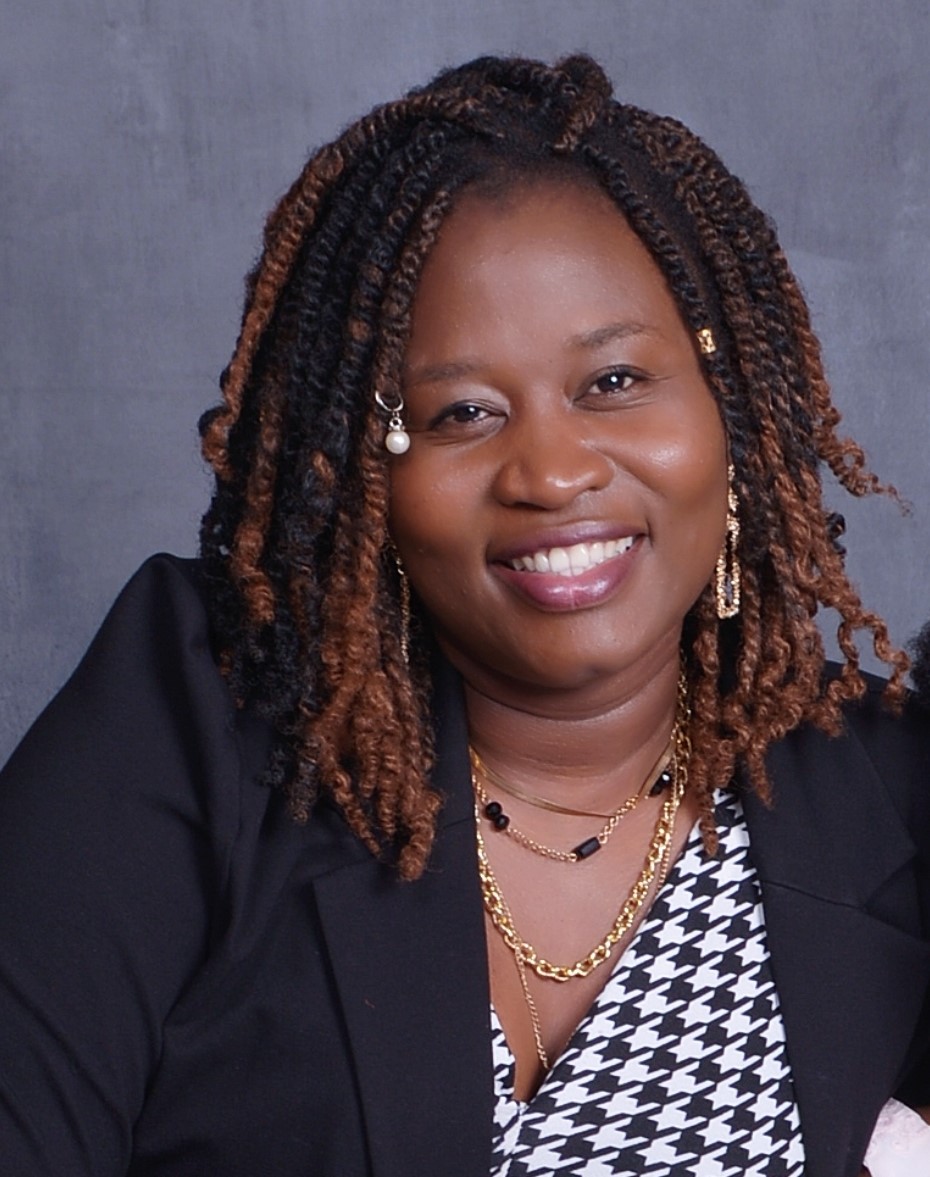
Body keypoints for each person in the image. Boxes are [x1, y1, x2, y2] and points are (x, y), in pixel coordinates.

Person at [0, 53, 928, 1177]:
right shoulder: (199, 721)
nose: (551, 470)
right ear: (367, 477)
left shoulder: (893, 793)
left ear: (729, 414)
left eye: (615, 382)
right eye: (462, 413)